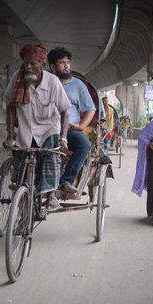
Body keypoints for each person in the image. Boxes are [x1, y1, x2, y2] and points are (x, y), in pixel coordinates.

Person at [3, 43, 71, 213]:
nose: (28, 67)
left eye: (32, 63)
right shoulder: (17, 79)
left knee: (51, 156)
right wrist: (10, 135)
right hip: (26, 128)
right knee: (19, 156)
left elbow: (64, 111)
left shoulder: (53, 82)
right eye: (26, 63)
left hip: (49, 128)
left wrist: (63, 138)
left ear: (41, 65)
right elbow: (11, 108)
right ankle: (21, 187)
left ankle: (50, 195)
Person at [48, 47, 96, 194]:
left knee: (83, 144)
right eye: (62, 63)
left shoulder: (78, 85)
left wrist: (81, 126)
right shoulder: (46, 82)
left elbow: (90, 109)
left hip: (69, 129)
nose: (66, 66)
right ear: (52, 66)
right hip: (47, 128)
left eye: (67, 62)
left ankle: (66, 181)